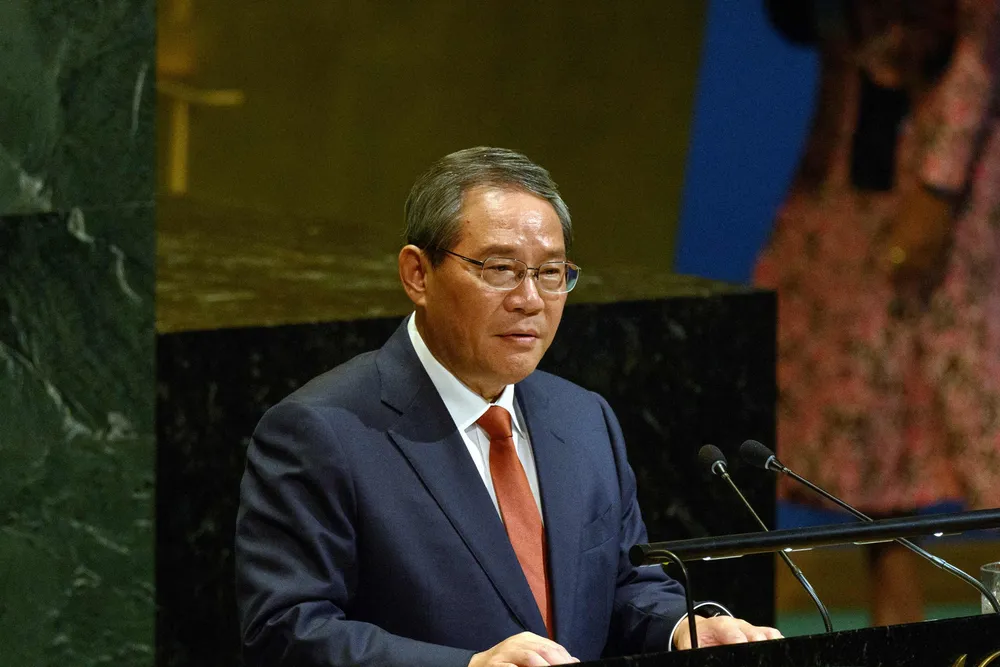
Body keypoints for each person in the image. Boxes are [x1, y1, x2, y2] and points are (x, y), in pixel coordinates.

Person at [236, 147, 781, 666]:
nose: (530, 299)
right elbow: (287, 630)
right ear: (418, 274)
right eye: (500, 269)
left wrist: (682, 627)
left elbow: (624, 583)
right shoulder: (321, 430)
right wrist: (468, 665)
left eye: (551, 272)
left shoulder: (583, 418)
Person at [757, 0, 1000, 625]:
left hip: (946, 155)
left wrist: (940, 185)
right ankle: (896, 616)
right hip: (851, 148)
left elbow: (984, 43)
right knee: (869, 392)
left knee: (968, 389)